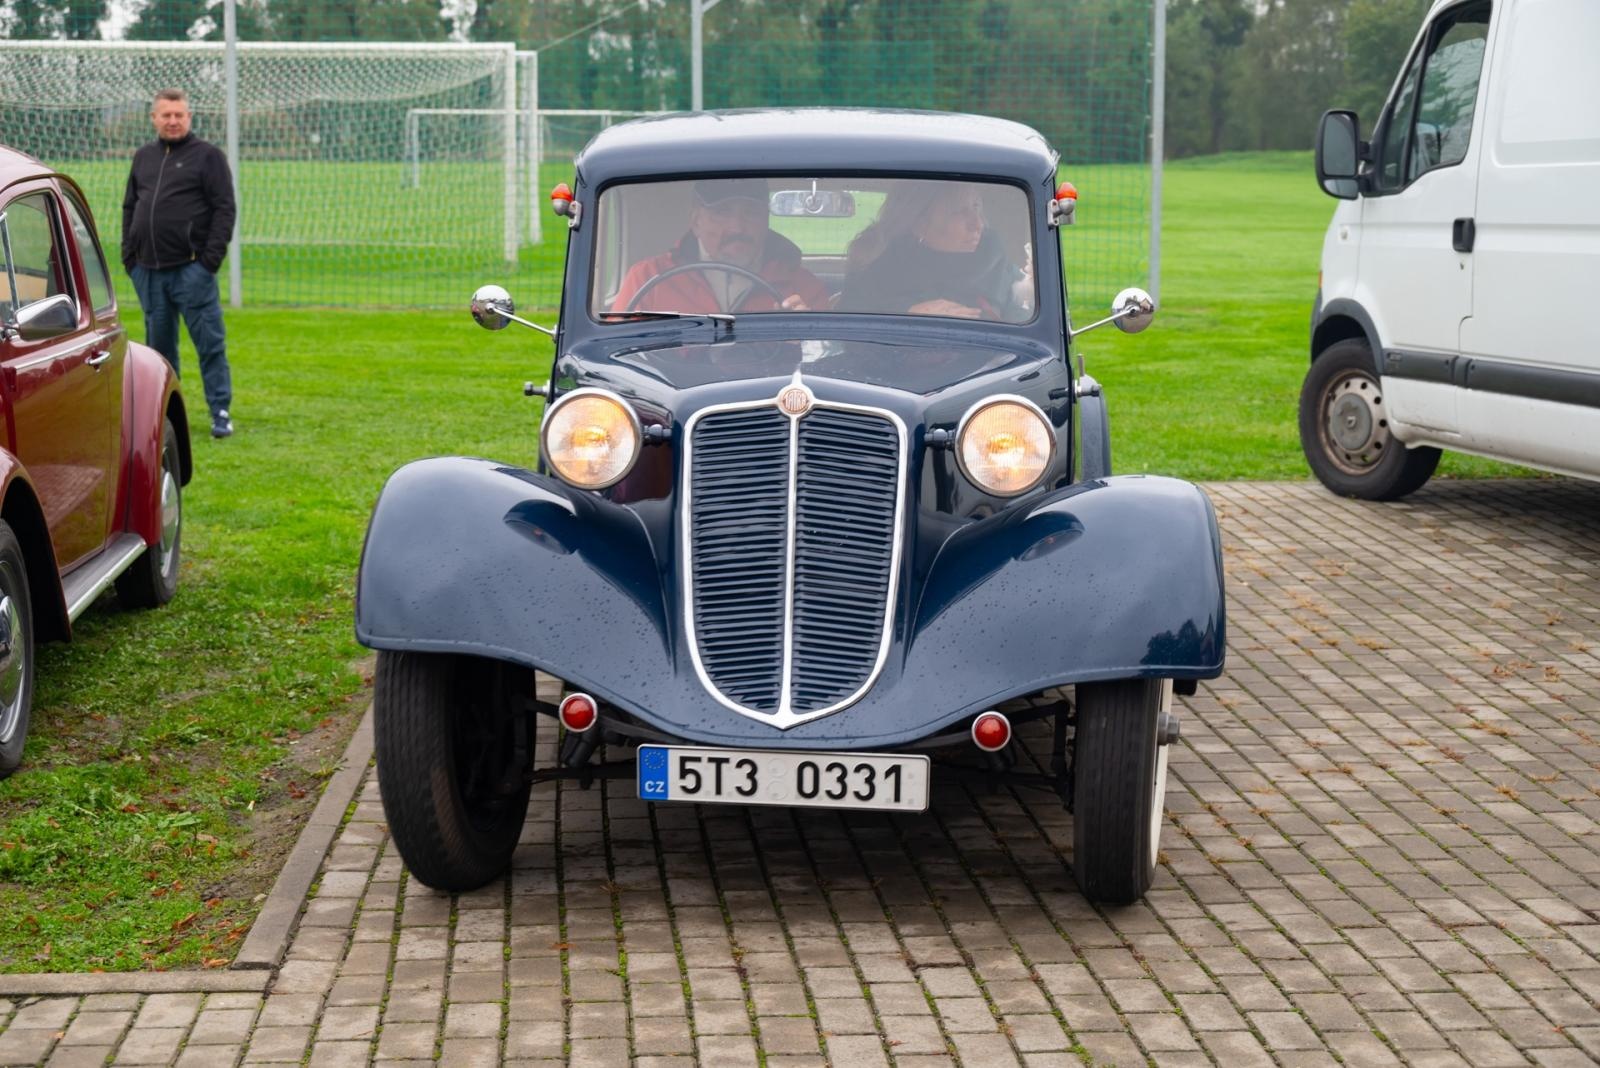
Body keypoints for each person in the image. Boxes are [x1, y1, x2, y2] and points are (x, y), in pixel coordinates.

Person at [122, 88, 237, 439]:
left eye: (179, 115)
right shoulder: (143, 157)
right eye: (166, 115)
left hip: (192, 272)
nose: (173, 121)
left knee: (210, 344)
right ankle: (166, 418)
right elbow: (130, 207)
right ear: (154, 118)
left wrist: (207, 264)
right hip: (149, 272)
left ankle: (220, 411)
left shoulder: (208, 157)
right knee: (159, 353)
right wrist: (130, 258)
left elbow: (224, 210)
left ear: (189, 117)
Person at [610, 178, 829, 315]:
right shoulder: (648, 279)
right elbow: (618, 357)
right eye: (722, 212)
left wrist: (804, 333)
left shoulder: (803, 286)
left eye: (751, 213)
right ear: (697, 221)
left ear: (765, 221)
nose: (737, 227)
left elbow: (825, 366)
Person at [839, 181, 1033, 321]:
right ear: (920, 224)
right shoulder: (881, 270)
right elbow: (851, 324)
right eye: (959, 211)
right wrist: (907, 314)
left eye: (976, 207)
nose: (977, 224)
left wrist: (1030, 287)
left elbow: (1025, 320)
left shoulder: (994, 259)